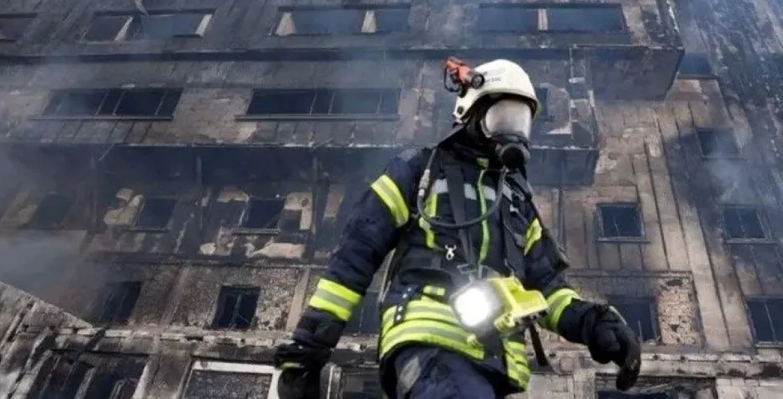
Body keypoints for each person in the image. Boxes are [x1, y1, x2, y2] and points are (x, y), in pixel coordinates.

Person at [273, 58, 642, 399]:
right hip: (429, 338)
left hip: (493, 360)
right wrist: (308, 347)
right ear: (471, 110)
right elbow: (354, 258)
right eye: (503, 118)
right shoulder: (420, 172)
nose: (512, 132)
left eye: (521, 122)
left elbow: (547, 290)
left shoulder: (517, 203)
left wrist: (594, 323)